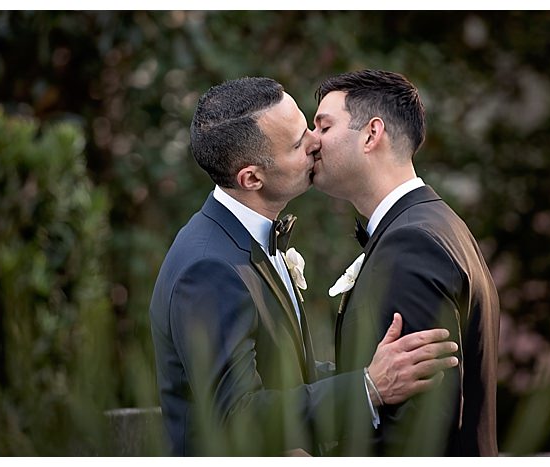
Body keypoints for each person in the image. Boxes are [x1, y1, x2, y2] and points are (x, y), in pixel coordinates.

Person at [149, 76, 459, 456]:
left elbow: (287, 375)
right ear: (251, 178)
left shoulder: (245, 239)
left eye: (308, 126)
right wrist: (366, 386)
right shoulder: (209, 267)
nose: (316, 141)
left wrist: (376, 371)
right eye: (298, 143)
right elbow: (238, 417)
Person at [311, 69, 500, 456]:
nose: (311, 142)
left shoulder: (412, 243)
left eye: (324, 126)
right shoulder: (435, 223)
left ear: (371, 134)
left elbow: (413, 429)